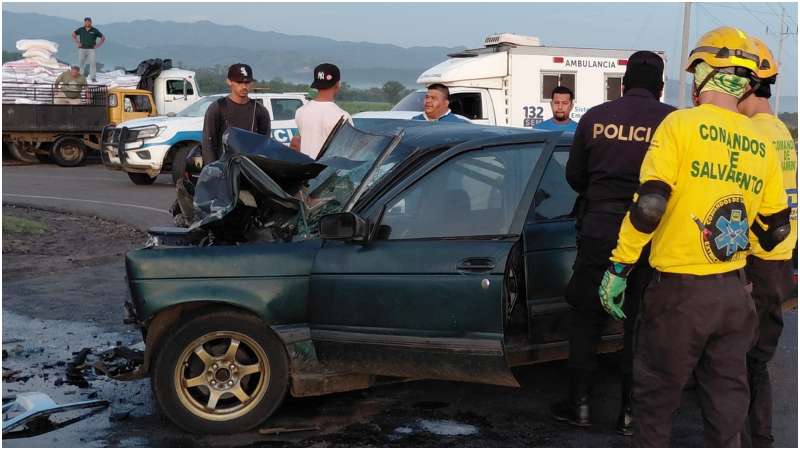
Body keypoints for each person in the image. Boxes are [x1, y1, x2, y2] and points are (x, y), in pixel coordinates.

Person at [598, 27, 790, 447]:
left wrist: (619, 265)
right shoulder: (760, 141)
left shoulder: (679, 125)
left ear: (705, 71)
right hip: (735, 292)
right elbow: (776, 230)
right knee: (726, 402)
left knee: (656, 401)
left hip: (679, 294)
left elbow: (649, 207)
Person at [552, 51, 675, 436]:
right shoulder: (673, 121)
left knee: (586, 317)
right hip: (650, 233)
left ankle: (581, 407)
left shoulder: (593, 118)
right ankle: (630, 414)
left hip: (599, 227)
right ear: (659, 87)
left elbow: (575, 176)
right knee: (639, 323)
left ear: (623, 84)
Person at [737, 36, 797, 448]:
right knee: (756, 359)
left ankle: (756, 439)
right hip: (780, 259)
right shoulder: (781, 131)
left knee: (746, 362)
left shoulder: (753, 134)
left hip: (758, 259)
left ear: (747, 86)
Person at [201, 63, 271, 165]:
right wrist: (213, 170)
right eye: (239, 82)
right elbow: (208, 144)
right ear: (229, 82)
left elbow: (265, 145)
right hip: (224, 169)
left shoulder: (260, 111)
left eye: (247, 82)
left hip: (251, 171)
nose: (244, 86)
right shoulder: (217, 108)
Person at [294, 63, 352, 159]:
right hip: (328, 172)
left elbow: (296, 142)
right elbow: (347, 152)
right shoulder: (343, 116)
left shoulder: (300, 112)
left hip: (306, 170)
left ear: (316, 84)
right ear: (337, 85)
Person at [71, 17, 105, 82]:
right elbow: (73, 34)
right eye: (86, 21)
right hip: (82, 49)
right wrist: (77, 42)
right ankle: (80, 78)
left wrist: (98, 45)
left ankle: (93, 78)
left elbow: (103, 37)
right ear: (84, 22)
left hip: (91, 49)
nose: (87, 23)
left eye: (88, 21)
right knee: (81, 63)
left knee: (92, 63)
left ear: (91, 22)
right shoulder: (81, 29)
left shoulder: (95, 30)